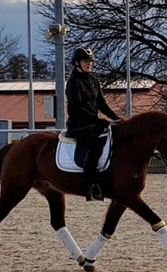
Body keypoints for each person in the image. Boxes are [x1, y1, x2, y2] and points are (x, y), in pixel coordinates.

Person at [65, 47, 122, 201]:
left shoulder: (93, 79)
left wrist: (116, 118)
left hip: (92, 122)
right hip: (78, 125)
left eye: (91, 62)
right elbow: (77, 108)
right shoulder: (73, 82)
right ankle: (90, 185)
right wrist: (97, 120)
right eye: (86, 61)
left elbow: (101, 103)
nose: (89, 64)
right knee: (95, 144)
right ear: (77, 63)